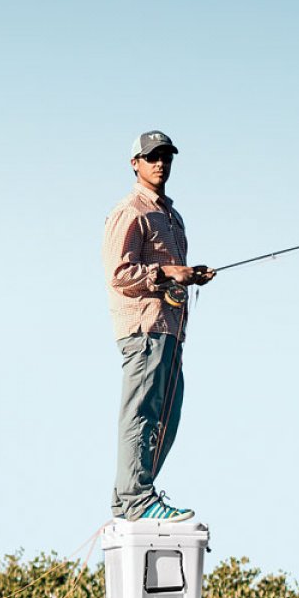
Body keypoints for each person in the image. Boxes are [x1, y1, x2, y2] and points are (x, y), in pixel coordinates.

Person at [101, 130, 213, 521]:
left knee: (168, 415)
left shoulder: (171, 216)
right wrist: (167, 271)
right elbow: (119, 273)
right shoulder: (129, 211)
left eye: (166, 156)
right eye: (151, 157)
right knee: (142, 415)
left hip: (171, 329)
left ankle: (129, 497)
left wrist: (188, 275)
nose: (160, 163)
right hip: (144, 331)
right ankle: (136, 498)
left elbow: (167, 273)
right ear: (135, 164)